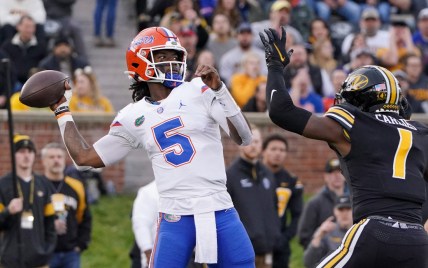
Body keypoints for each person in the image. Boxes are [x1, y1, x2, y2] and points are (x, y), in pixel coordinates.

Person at [49, 26, 255, 267]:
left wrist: (220, 90)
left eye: (175, 56)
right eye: (163, 56)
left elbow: (244, 137)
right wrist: (62, 110)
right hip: (175, 215)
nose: (172, 62)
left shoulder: (199, 89)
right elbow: (84, 158)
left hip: (219, 207)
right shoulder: (132, 115)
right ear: (140, 62)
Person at [260, 27, 428, 267]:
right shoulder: (420, 133)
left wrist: (275, 67)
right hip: (417, 241)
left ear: (362, 96)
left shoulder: (354, 123)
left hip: (374, 231)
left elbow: (281, 112)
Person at [226, 125, 280, 268]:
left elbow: (274, 208)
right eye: (248, 141)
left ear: (261, 144)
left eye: (256, 141)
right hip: (243, 251)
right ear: (239, 143)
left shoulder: (267, 174)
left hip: (268, 250)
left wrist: (275, 235)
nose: (252, 145)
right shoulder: (230, 176)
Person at [0, 134, 57, 267]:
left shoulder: (43, 183)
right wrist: (8, 211)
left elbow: (50, 224)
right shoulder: (3, 184)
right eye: (21, 151)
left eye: (30, 151)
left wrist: (47, 250)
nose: (26, 155)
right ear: (13, 156)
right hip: (10, 260)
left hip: (38, 261)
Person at [261, 134, 303, 268]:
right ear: (264, 151)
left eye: (282, 150)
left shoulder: (291, 180)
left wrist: (284, 238)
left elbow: (297, 214)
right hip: (254, 239)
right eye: (273, 149)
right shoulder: (252, 176)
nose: (277, 153)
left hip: (280, 243)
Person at [297, 158, 346, 249]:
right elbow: (303, 237)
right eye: (332, 172)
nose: (337, 175)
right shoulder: (314, 203)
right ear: (325, 177)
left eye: (340, 171)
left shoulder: (354, 200)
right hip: (323, 258)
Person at [303, 195, 353, 268]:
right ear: (335, 211)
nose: (344, 213)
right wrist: (319, 235)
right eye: (341, 209)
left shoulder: (361, 231)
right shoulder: (327, 231)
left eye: (348, 209)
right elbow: (309, 262)